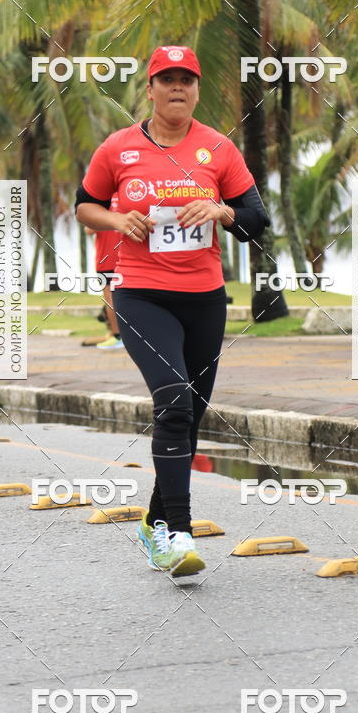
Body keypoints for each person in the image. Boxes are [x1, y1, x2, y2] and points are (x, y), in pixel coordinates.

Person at [75, 45, 270, 576]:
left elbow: (257, 219)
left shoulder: (219, 149)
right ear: (152, 88)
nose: (177, 88)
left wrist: (222, 210)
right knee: (175, 401)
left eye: (187, 80)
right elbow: (84, 205)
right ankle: (175, 535)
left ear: (198, 89)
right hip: (140, 291)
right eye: (167, 80)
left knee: (190, 415)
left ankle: (153, 518)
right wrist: (119, 222)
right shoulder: (118, 149)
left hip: (205, 296)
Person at [84, 194, 125, 350]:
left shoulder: (100, 200)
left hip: (106, 259)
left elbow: (89, 229)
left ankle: (118, 337)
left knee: (110, 299)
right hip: (129, 258)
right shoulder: (128, 195)